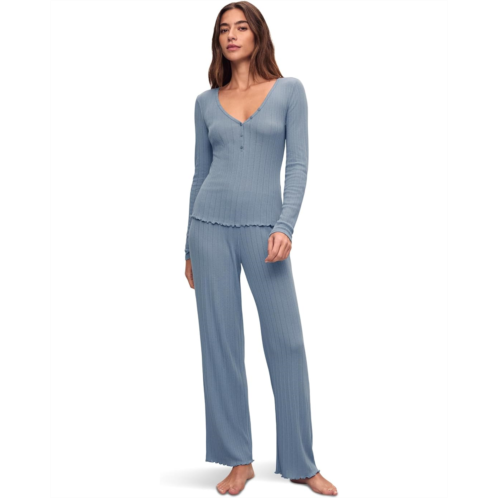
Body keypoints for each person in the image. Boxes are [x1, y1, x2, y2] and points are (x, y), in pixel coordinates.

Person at [184, 2, 338, 496]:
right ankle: (238, 460)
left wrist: (285, 225)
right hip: (208, 229)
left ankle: (300, 461)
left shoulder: (290, 91)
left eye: (241, 27)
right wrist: (188, 246)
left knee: (286, 343)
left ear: (257, 35)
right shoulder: (205, 102)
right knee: (221, 346)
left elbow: (298, 165)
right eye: (223, 29)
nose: (231, 35)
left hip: (266, 231)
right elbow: (200, 174)